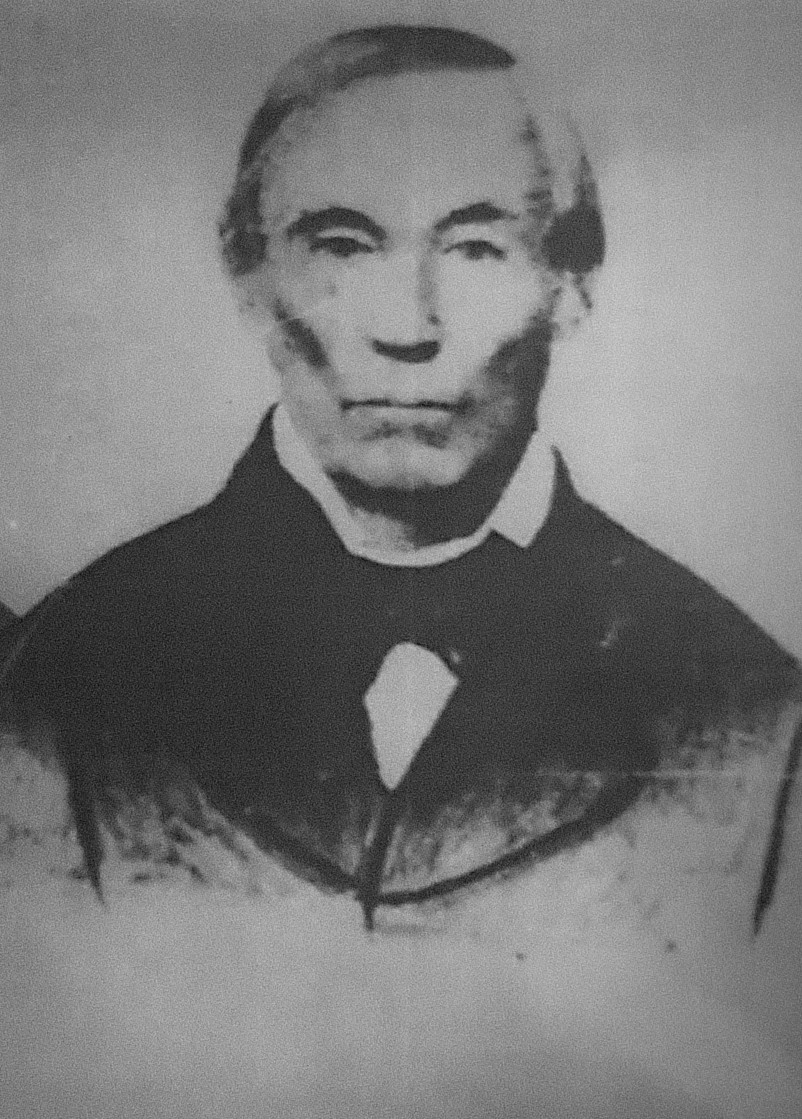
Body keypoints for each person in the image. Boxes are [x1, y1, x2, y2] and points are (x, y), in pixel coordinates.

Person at [1, 24, 799, 934]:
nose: (409, 328)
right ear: (248, 280)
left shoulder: (755, 719)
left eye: (475, 249)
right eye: (342, 246)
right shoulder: (63, 676)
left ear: (573, 284)